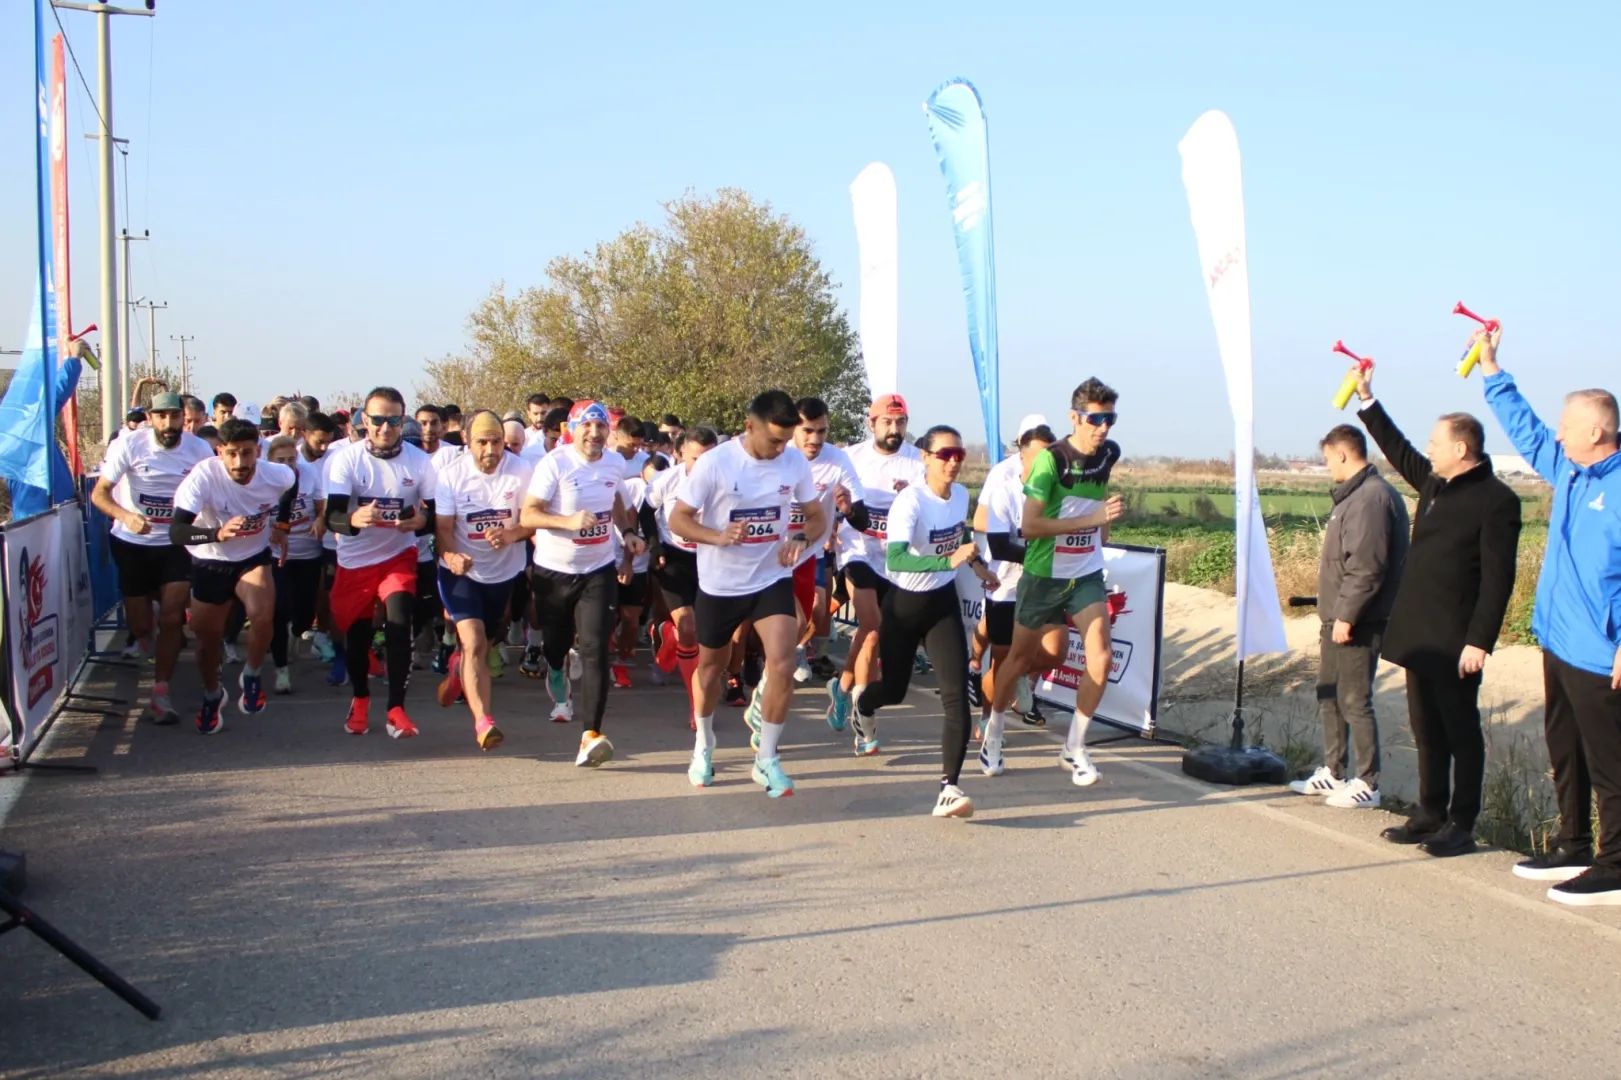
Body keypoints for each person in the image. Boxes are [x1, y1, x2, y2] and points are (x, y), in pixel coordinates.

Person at [1343, 361, 1522, 856]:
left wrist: (1479, 640)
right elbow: (1398, 449)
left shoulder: (1496, 501)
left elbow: (1498, 579)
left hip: (1457, 639)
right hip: (1419, 632)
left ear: (1461, 449)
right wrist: (1367, 398)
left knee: (1460, 731)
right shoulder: (1436, 484)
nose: (1430, 450)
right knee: (1425, 728)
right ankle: (1430, 811)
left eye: (1437, 443)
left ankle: (1462, 823)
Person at [1476, 328, 1621, 906]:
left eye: (1568, 425)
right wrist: (1492, 369)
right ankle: (1573, 844)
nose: (1558, 434)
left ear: (1597, 431)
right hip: (1559, 640)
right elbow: (1528, 430)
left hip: (1601, 651)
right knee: (1566, 750)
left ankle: (1616, 864)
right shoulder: (1570, 470)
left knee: (1610, 763)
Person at [671, 390, 824, 796]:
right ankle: (704, 745)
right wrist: (717, 536)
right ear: (749, 426)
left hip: (771, 577)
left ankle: (767, 759)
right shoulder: (715, 463)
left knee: (783, 662)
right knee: (711, 670)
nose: (781, 449)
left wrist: (800, 538)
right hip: (721, 584)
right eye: (774, 440)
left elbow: (816, 517)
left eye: (786, 440)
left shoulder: (794, 462)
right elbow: (678, 519)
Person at [853, 425, 998, 817]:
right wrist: (947, 561)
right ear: (925, 458)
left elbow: (957, 539)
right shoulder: (910, 501)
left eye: (959, 455)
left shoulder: (961, 495)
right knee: (894, 690)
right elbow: (896, 558)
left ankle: (949, 788)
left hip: (942, 604)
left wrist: (978, 567)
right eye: (945, 454)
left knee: (956, 697)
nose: (953, 462)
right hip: (903, 606)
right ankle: (862, 704)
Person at [990, 378, 1126, 787]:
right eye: (1095, 419)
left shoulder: (1109, 453)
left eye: (1110, 419)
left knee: (1101, 656)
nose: (1103, 427)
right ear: (1074, 418)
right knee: (1018, 660)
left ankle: (1074, 747)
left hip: (1085, 573)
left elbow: (1096, 496)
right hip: (1044, 575)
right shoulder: (1052, 461)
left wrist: (1102, 526)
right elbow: (1030, 527)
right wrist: (1091, 519)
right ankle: (993, 730)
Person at [1286, 424, 1409, 810]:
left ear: (1341, 454)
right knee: (1330, 693)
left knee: (1355, 698)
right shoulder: (1352, 497)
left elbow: (1367, 567)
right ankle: (1334, 772)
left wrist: (1348, 615)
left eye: (1327, 459)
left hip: (1359, 621)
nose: (1327, 466)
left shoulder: (1371, 498)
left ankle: (1368, 783)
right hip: (1336, 616)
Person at [519, 401, 644, 766]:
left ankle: (591, 734)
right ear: (571, 430)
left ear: (609, 432)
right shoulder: (554, 464)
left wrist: (628, 533)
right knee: (556, 643)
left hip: (597, 570)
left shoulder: (614, 463)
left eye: (601, 426)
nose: (594, 433)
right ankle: (556, 669)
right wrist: (568, 521)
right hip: (553, 571)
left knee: (594, 648)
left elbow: (618, 502)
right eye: (586, 426)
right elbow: (529, 514)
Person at [90, 391, 215, 724]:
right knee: (141, 626)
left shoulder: (199, 449)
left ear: (183, 417)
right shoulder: (130, 444)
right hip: (132, 542)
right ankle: (148, 628)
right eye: (162, 416)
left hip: (175, 543)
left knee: (173, 618)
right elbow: (99, 494)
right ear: (150, 418)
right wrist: (126, 516)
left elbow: (212, 492)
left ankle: (161, 693)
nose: (169, 424)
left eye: (175, 416)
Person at [169, 418, 298, 732]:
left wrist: (282, 525)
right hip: (210, 561)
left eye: (247, 453)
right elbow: (177, 532)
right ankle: (213, 694)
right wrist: (216, 533)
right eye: (232, 454)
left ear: (258, 451)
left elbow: (291, 485)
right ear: (220, 452)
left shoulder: (275, 474)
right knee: (207, 641)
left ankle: (251, 675)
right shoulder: (203, 477)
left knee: (263, 614)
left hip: (252, 557)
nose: (240, 462)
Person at [324, 387, 438, 740]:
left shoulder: (419, 461)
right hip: (355, 560)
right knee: (357, 637)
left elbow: (435, 514)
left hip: (397, 555)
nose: (385, 428)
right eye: (377, 420)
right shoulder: (346, 459)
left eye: (393, 420)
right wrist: (353, 519)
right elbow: (332, 517)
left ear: (402, 420)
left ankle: (396, 710)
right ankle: (360, 698)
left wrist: (422, 521)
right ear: (365, 420)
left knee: (399, 622)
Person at [827, 394, 926, 750]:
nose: (894, 429)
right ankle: (864, 726)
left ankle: (844, 690)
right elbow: (829, 497)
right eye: (887, 422)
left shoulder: (918, 461)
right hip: (857, 550)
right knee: (870, 624)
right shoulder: (852, 457)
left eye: (900, 422)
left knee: (874, 637)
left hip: (895, 559)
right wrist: (829, 528)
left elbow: (934, 503)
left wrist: (915, 495)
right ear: (871, 424)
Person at [434, 411, 536, 750]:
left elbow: (532, 520)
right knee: (475, 642)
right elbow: (443, 529)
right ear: (467, 441)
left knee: (484, 644)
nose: (491, 450)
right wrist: (452, 557)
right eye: (482, 442)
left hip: (503, 572)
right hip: (461, 572)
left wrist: (512, 534)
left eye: (497, 442)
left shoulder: (521, 471)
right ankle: (483, 722)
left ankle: (458, 669)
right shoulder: (451, 476)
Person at [975, 418, 1066, 775]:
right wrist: (1040, 554)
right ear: (1022, 457)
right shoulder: (1005, 489)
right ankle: (988, 719)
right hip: (1006, 586)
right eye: (1038, 457)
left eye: (1050, 458)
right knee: (1002, 664)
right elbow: (999, 545)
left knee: (1056, 652)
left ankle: (1021, 678)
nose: (1045, 464)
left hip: (1044, 585)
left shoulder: (1058, 491)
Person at [790, 397, 868, 684]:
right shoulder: (778, 455)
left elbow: (862, 518)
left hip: (811, 551)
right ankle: (754, 664)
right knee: (786, 619)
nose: (815, 439)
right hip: (771, 552)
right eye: (807, 431)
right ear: (793, 428)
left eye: (821, 431)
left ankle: (802, 653)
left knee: (817, 609)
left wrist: (848, 510)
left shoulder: (838, 459)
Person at [645, 427, 718, 729]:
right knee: (688, 626)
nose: (702, 465)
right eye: (696, 458)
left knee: (704, 633)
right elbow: (645, 512)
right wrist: (654, 546)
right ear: (680, 453)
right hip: (674, 557)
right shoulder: (666, 480)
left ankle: (667, 635)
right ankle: (695, 705)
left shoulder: (726, 482)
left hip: (709, 557)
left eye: (709, 458)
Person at [264, 435, 328, 694]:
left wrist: (321, 520)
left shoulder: (309, 475)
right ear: (269, 460)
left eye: (291, 459)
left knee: (305, 614)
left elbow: (323, 507)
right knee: (279, 611)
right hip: (275, 554)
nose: (287, 465)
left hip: (308, 552)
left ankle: (295, 631)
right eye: (280, 460)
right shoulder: (262, 479)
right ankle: (281, 670)